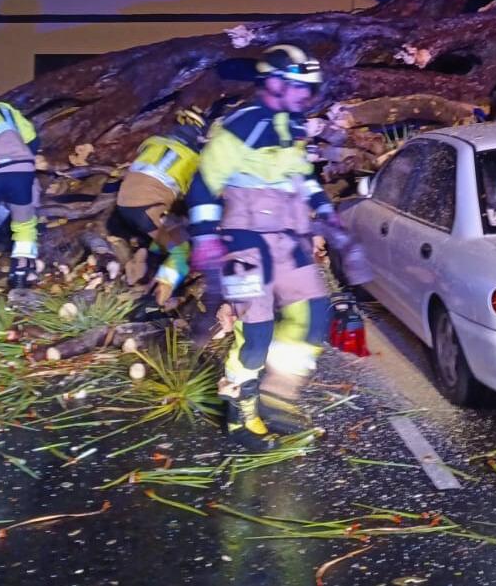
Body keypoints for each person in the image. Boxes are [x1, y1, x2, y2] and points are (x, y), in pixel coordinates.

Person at [187, 44, 338, 448]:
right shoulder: (241, 126)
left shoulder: (294, 125)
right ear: (272, 83)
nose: (307, 95)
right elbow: (203, 184)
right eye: (299, 87)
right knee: (255, 333)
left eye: (310, 88)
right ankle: (240, 413)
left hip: (289, 241)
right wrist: (203, 237)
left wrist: (325, 210)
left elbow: (302, 176)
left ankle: (275, 396)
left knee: (315, 316)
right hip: (245, 243)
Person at [116, 106, 206, 308]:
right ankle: (154, 302)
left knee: (167, 230)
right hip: (147, 208)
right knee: (182, 249)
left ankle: (144, 266)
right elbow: (196, 199)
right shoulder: (192, 158)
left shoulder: (154, 143)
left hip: (124, 203)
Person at [0, 100, 42, 289]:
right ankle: (21, 272)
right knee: (24, 223)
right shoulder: (3, 109)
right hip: (20, 170)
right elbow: (32, 139)